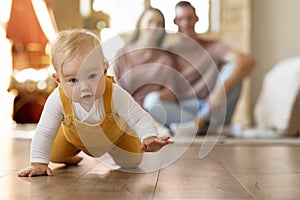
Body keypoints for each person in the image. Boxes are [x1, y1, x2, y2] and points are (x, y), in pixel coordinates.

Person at [17, 29, 173, 177]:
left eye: (92, 76)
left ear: (104, 71)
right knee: (54, 155)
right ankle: (70, 155)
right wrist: (38, 163)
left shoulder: (114, 94)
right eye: (73, 80)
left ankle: (124, 149)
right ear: (58, 80)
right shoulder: (57, 98)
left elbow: (138, 117)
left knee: (132, 161)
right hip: (73, 139)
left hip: (117, 139)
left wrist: (149, 136)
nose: (84, 87)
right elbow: (45, 131)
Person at [143, 1, 255, 135]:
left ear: (196, 19)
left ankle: (200, 125)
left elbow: (247, 61)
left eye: (189, 18)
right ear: (175, 22)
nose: (186, 23)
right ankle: (208, 129)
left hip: (213, 108)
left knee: (234, 69)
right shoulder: (169, 53)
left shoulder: (213, 47)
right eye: (181, 19)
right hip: (184, 108)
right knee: (151, 100)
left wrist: (220, 91)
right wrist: (168, 92)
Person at [111, 7, 179, 107]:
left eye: (159, 23)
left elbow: (171, 91)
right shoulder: (121, 55)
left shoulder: (165, 59)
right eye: (150, 21)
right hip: (125, 109)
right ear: (140, 24)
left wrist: (163, 96)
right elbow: (113, 86)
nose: (155, 26)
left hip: (154, 110)